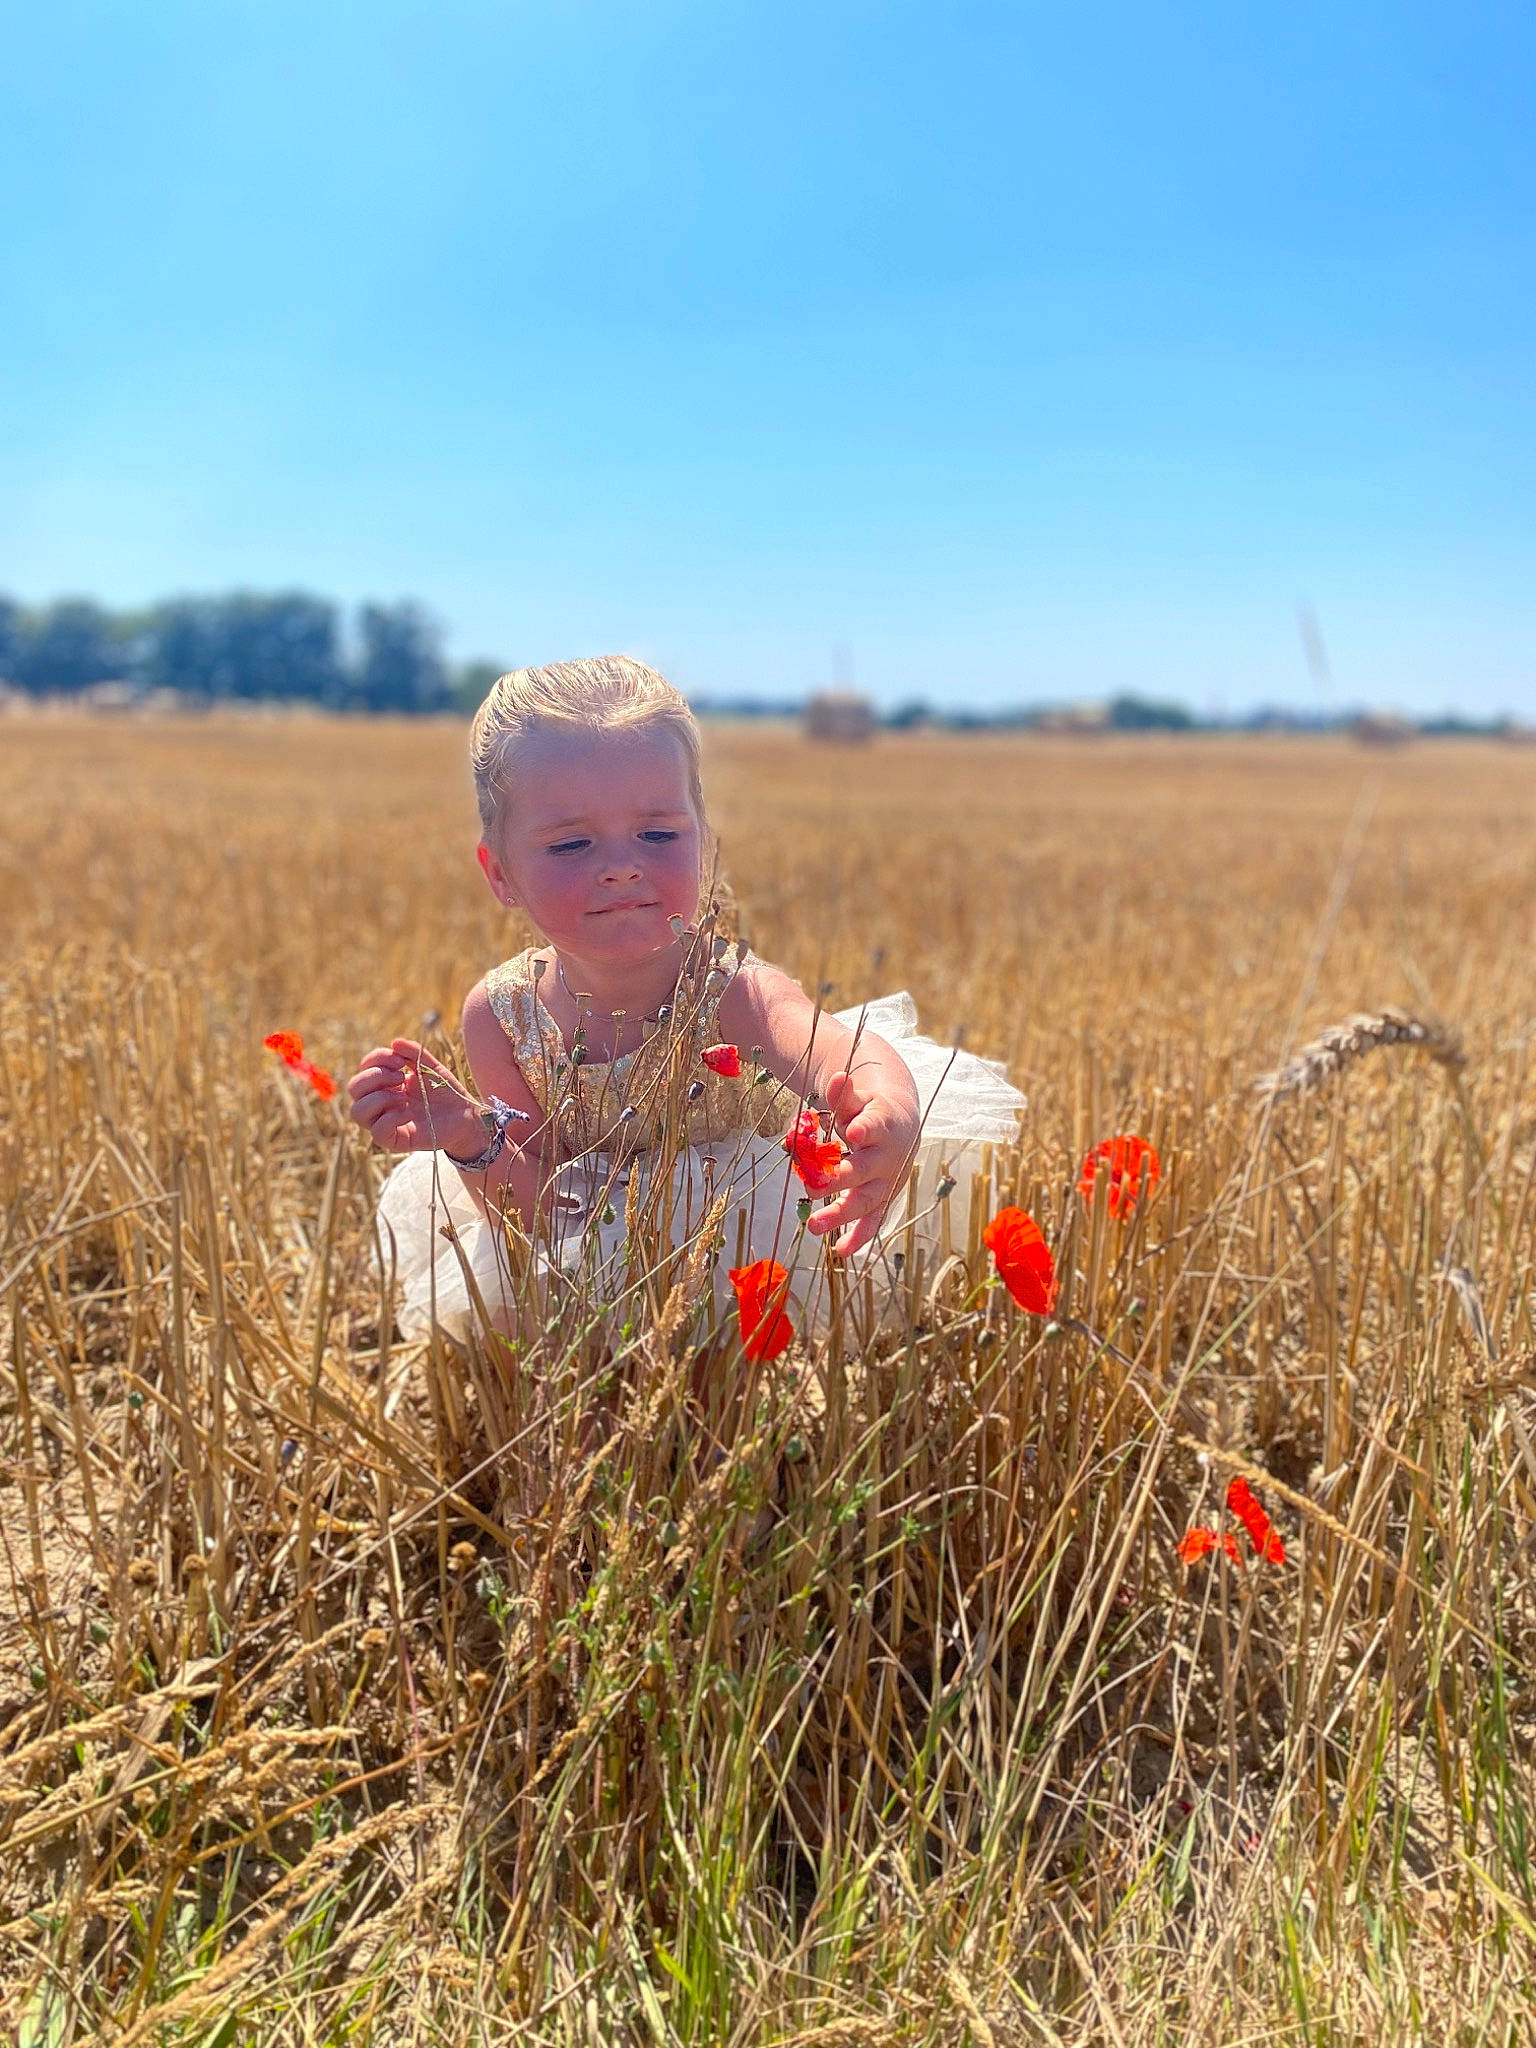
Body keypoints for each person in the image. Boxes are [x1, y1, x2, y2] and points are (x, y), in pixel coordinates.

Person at [347, 657, 1025, 1346]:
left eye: (659, 834)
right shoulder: (501, 1018)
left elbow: (833, 1049)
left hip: (734, 1231)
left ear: (701, 841)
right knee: (572, 1373)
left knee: (714, 1399)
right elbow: (548, 1215)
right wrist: (466, 1135)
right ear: (502, 875)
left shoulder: (728, 989)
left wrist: (889, 1105)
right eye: (572, 843)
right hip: (590, 1256)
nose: (621, 864)